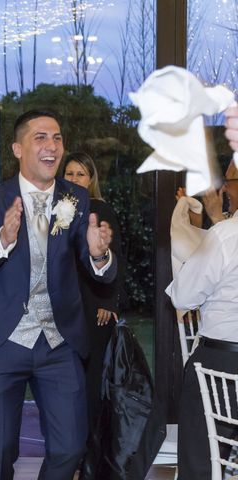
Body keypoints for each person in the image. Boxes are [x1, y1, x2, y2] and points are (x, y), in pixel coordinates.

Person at [0, 109, 116, 480]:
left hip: (58, 342)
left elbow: (96, 268)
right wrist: (3, 240)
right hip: (1, 341)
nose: (52, 146)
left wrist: (98, 255)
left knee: (70, 447)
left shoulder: (75, 199)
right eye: (40, 137)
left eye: (57, 138)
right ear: (17, 148)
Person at [167, 105, 238, 479]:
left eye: (230, 180)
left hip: (225, 375)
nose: (225, 187)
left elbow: (182, 298)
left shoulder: (226, 237)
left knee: (200, 452)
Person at [61, 152, 123, 436]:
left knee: (92, 378)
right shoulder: (60, 211)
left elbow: (115, 257)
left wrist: (108, 302)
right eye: (70, 173)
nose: (74, 179)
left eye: (80, 174)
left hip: (93, 305)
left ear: (91, 179)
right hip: (64, 305)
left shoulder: (101, 209)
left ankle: (91, 449)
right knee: (67, 379)